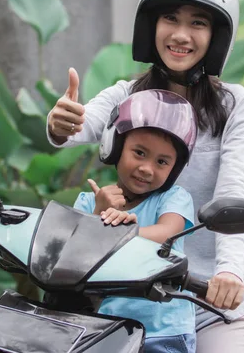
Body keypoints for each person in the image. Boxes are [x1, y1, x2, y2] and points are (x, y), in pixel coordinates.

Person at [47, 0, 244, 353]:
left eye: (198, 22)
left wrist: (230, 272)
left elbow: (234, 194)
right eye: (170, 18)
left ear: (216, 36)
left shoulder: (237, 106)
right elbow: (81, 126)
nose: (182, 35)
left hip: (208, 295)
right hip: (127, 295)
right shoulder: (124, 95)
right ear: (152, 25)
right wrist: (60, 123)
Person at [72, 89, 199, 353]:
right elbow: (74, 253)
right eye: (139, 153)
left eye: (162, 161)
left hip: (164, 331)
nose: (147, 168)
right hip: (105, 329)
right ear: (115, 148)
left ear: (174, 170)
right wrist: (99, 216)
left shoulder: (174, 198)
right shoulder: (89, 202)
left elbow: (168, 232)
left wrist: (126, 229)